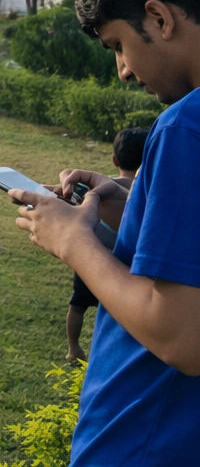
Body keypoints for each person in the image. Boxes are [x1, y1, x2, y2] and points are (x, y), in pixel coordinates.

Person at [7, 0, 200, 467]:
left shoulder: (187, 128)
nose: (122, 69)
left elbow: (182, 334)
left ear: (160, 17)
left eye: (120, 44)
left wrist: (74, 241)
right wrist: (132, 215)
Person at [66, 127, 148, 363]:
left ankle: (73, 348)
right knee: (118, 312)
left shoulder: (99, 189)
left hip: (89, 258)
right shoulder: (144, 195)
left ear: (115, 160)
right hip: (123, 267)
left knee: (77, 305)